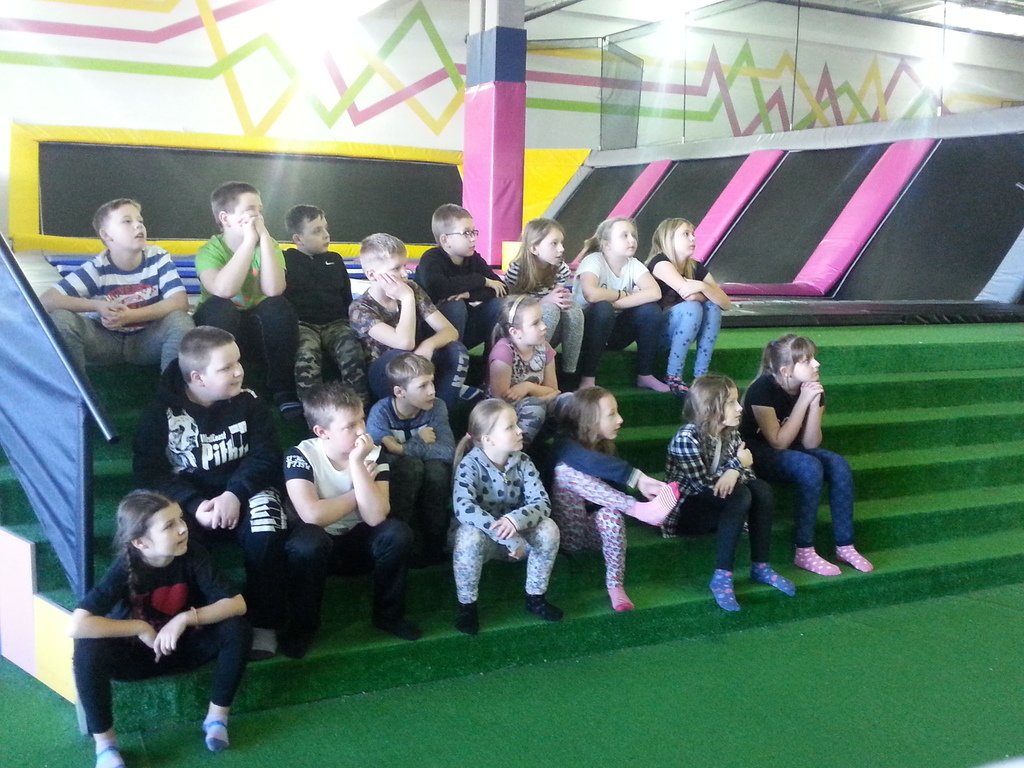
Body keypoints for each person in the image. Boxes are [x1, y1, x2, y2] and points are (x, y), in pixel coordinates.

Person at [133, 325, 316, 661]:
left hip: (246, 490)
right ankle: (200, 622)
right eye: (226, 367)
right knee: (171, 537)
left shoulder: (249, 402)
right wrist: (194, 504)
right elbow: (149, 472)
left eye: (239, 362)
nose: (239, 372)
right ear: (198, 378)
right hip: (189, 500)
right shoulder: (160, 412)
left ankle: (264, 623)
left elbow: (266, 455)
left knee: (267, 530)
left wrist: (234, 494)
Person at [69, 490, 250, 768]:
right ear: (140, 542)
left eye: (181, 519)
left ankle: (216, 719)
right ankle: (105, 746)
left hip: (183, 648)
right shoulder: (125, 566)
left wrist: (185, 619)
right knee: (87, 647)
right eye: (169, 525)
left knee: (237, 627)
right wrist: (140, 627)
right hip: (138, 656)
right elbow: (77, 625)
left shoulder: (193, 553)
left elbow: (237, 604)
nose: (183, 528)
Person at [284, 382, 421, 657]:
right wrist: (357, 491)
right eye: (350, 426)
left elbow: (376, 516)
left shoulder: (372, 454)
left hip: (359, 541)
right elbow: (312, 515)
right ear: (322, 432)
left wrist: (357, 464)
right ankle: (302, 628)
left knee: (397, 533)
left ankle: (389, 616)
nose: (361, 431)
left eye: (362, 420)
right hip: (321, 546)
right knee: (306, 543)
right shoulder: (300, 456)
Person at [741, 334, 874, 576]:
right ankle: (804, 549)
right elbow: (778, 443)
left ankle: (845, 545)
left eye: (814, 358)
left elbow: (810, 443)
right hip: (756, 452)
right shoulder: (762, 389)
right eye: (807, 361)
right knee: (810, 467)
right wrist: (803, 401)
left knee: (838, 465)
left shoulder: (813, 388)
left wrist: (813, 404)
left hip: (792, 447)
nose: (816, 364)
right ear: (786, 370)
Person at [663, 374, 796, 611]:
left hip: (719, 505)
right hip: (687, 512)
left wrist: (735, 471)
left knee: (761, 489)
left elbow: (748, 475)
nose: (739, 408)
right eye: (731, 402)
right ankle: (722, 576)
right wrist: (736, 465)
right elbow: (701, 486)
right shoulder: (686, 438)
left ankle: (761, 566)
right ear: (711, 408)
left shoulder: (731, 433)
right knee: (740, 494)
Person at [547, 388, 680, 612]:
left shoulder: (605, 447)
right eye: (611, 414)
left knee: (610, 515)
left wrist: (650, 492)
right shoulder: (564, 445)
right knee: (564, 471)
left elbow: (614, 491)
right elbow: (587, 461)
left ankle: (615, 586)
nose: (620, 419)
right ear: (589, 420)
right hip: (567, 533)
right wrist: (636, 478)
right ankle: (640, 510)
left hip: (592, 533)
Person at [41, 198, 193, 374]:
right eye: (127, 221)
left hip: (146, 340)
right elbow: (47, 300)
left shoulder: (157, 258)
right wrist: (98, 306)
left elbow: (179, 302)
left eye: (140, 220)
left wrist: (131, 316)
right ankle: (75, 388)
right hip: (105, 341)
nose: (138, 225)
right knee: (62, 319)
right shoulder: (97, 268)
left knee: (180, 321)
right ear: (106, 235)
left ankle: (172, 388)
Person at [451, 398, 562, 635]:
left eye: (517, 424)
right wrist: (507, 536)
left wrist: (514, 521)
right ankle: (467, 607)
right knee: (468, 535)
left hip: (519, 542)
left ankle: (535, 598)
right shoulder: (470, 465)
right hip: (488, 543)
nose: (520, 430)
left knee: (548, 527)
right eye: (510, 427)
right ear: (487, 439)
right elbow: (464, 508)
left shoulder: (523, 462)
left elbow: (542, 503)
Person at [193, 181, 301, 419]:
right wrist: (248, 243)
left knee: (278, 306)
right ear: (225, 218)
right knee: (221, 307)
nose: (258, 216)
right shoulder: (209, 251)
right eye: (250, 209)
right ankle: (226, 391)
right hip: (220, 328)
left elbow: (274, 289)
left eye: (260, 210)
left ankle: (282, 389)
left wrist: (264, 240)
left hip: (256, 330)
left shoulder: (269, 246)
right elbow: (223, 289)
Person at [349, 232, 480, 408]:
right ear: (372, 275)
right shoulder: (360, 308)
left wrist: (429, 345)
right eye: (396, 268)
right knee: (398, 356)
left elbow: (450, 331)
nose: (405, 273)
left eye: (405, 266)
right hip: (386, 375)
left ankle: (441, 411)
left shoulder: (411, 288)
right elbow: (405, 343)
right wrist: (406, 299)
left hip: (417, 365)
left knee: (455, 349)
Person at [366, 352, 455, 567]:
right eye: (423, 386)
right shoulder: (380, 413)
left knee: (436, 472)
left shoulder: (437, 407)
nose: (432, 390)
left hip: (429, 468)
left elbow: (447, 451)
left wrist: (401, 447)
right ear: (400, 392)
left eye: (432, 382)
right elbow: (377, 457)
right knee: (411, 466)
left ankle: (434, 542)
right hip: (400, 474)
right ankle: (399, 540)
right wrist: (418, 441)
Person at [281, 204, 370, 407]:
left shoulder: (334, 259)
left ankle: (359, 408)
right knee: (306, 354)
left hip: (336, 323)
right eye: (317, 231)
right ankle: (313, 412)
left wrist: (352, 325)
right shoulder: (287, 260)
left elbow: (346, 298)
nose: (326, 235)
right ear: (298, 239)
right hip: (303, 324)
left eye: (325, 229)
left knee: (352, 351)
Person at [572, 217, 667, 392]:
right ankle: (587, 377)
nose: (631, 240)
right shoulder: (593, 261)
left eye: (633, 235)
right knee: (603, 308)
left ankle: (645, 374)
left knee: (651, 310)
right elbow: (591, 294)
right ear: (607, 244)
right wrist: (623, 295)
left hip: (614, 333)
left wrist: (615, 303)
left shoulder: (633, 264)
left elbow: (655, 292)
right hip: (587, 332)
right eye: (624, 236)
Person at [646, 218, 732, 394]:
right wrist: (707, 292)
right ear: (668, 238)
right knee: (693, 307)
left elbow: (726, 303)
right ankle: (673, 375)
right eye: (685, 234)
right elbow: (687, 293)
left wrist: (702, 286)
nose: (693, 238)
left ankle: (701, 375)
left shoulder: (695, 267)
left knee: (713, 308)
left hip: (682, 328)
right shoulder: (660, 263)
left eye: (692, 234)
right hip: (655, 335)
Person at [413, 203, 504, 351]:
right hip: (433, 330)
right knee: (455, 305)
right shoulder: (431, 259)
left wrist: (469, 294)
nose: (473, 238)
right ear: (445, 240)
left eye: (474, 232)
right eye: (466, 233)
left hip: (464, 325)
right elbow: (438, 287)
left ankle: (493, 359)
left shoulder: (473, 259)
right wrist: (481, 280)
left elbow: (501, 288)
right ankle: (452, 356)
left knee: (500, 304)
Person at [504, 218, 584, 380]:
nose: (561, 249)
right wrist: (543, 301)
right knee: (549, 309)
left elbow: (557, 297)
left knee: (574, 310)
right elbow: (511, 308)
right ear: (534, 248)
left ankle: (569, 372)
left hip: (550, 327)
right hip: (523, 329)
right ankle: (532, 364)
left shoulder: (561, 268)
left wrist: (561, 299)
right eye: (554, 243)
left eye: (561, 243)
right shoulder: (516, 270)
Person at [487, 295, 561, 447]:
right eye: (535, 323)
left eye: (542, 320)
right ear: (515, 332)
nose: (544, 326)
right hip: (506, 417)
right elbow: (501, 402)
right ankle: (515, 452)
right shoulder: (503, 351)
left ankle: (559, 450)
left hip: (536, 406)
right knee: (534, 407)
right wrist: (544, 397)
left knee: (569, 401)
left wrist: (528, 387)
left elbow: (554, 390)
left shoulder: (545, 348)